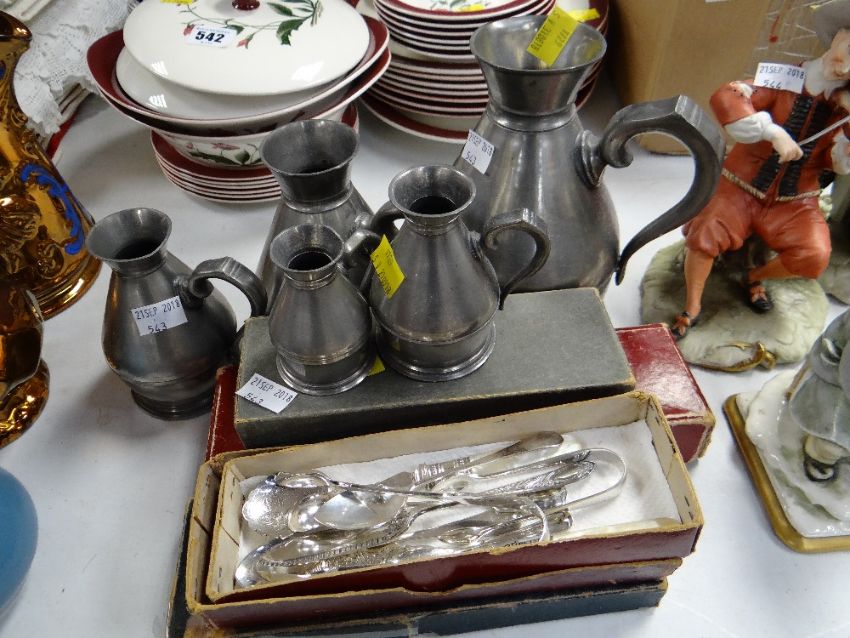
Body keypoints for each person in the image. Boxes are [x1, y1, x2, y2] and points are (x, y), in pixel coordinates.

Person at [672, 0, 850, 337]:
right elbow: (730, 95)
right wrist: (772, 132)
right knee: (706, 230)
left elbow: (837, 163)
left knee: (814, 255)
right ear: (839, 36)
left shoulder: (843, 110)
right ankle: (691, 306)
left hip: (795, 201)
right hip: (739, 186)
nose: (846, 69)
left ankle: (754, 277)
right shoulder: (786, 77)